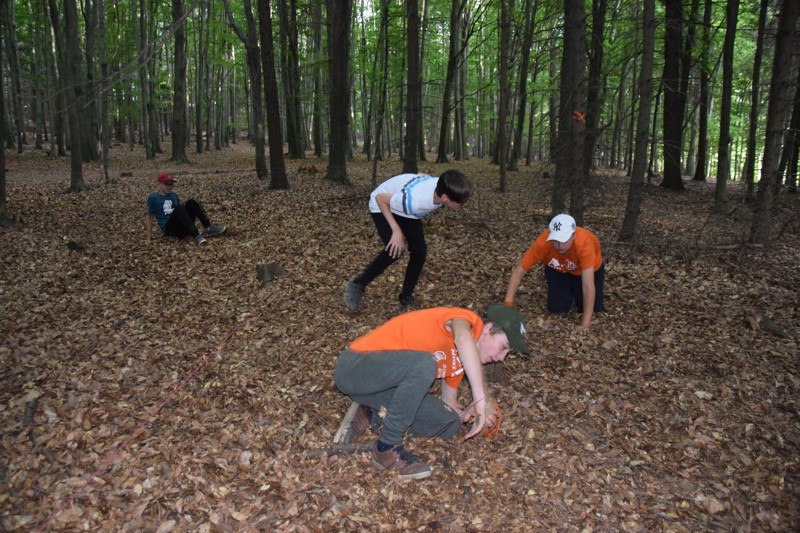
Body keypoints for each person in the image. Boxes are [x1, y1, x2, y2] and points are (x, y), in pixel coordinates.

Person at [333, 305, 530, 480]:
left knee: (448, 422)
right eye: (503, 347)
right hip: (354, 367)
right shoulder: (467, 321)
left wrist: (466, 411)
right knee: (426, 364)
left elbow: (449, 402)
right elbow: (462, 338)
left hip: (379, 386)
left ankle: (371, 411)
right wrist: (480, 399)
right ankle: (386, 447)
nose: (501, 357)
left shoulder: (460, 364)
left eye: (507, 353)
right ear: (487, 330)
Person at [344, 170, 472, 312]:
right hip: (381, 205)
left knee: (419, 252)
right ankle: (358, 284)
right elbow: (381, 198)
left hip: (405, 209)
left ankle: (406, 296)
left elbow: (422, 175)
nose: (463, 205)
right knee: (394, 250)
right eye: (461, 202)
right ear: (445, 198)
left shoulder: (441, 185)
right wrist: (396, 232)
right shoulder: (415, 202)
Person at [504, 213, 604, 332]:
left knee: (593, 308)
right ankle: (568, 290)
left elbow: (588, 285)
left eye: (563, 240)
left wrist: (585, 324)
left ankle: (574, 291)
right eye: (555, 240)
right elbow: (519, 271)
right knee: (557, 308)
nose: (559, 245)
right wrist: (507, 306)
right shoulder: (543, 242)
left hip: (584, 272)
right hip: (558, 269)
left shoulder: (584, 243)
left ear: (573, 235)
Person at [145, 172, 227, 245]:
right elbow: (149, 218)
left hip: (182, 226)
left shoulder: (174, 195)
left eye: (171, 184)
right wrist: (148, 238)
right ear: (159, 184)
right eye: (166, 184)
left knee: (192, 201)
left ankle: (209, 227)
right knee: (179, 208)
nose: (169, 187)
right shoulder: (153, 198)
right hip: (170, 230)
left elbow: (181, 213)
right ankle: (197, 236)